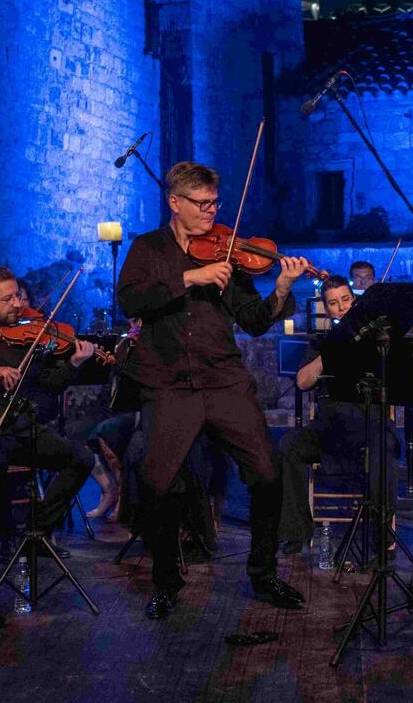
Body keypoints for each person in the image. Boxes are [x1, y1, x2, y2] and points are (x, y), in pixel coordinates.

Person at [117, 160, 309, 619]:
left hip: (223, 380)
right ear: (174, 202)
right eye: (201, 204)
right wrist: (189, 278)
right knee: (156, 483)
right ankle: (166, 580)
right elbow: (129, 299)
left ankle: (263, 573)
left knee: (267, 473)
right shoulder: (147, 248)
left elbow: (255, 321)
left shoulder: (227, 253)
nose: (210, 212)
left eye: (214, 204)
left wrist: (282, 287)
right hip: (169, 384)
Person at [0, 264, 95, 563]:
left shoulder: (26, 336)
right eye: (8, 299)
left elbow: (49, 383)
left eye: (17, 296)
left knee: (82, 458)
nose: (17, 304)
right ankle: (6, 536)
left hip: (22, 428)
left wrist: (74, 364)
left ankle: (35, 532)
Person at [275, 274, 399, 554]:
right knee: (288, 446)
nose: (341, 307)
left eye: (346, 300)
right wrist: (330, 352)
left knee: (385, 446)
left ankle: (382, 533)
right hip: (329, 429)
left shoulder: (375, 338)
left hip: (370, 426)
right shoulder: (322, 342)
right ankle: (296, 533)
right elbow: (302, 381)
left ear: (354, 301)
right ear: (326, 308)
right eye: (333, 303)